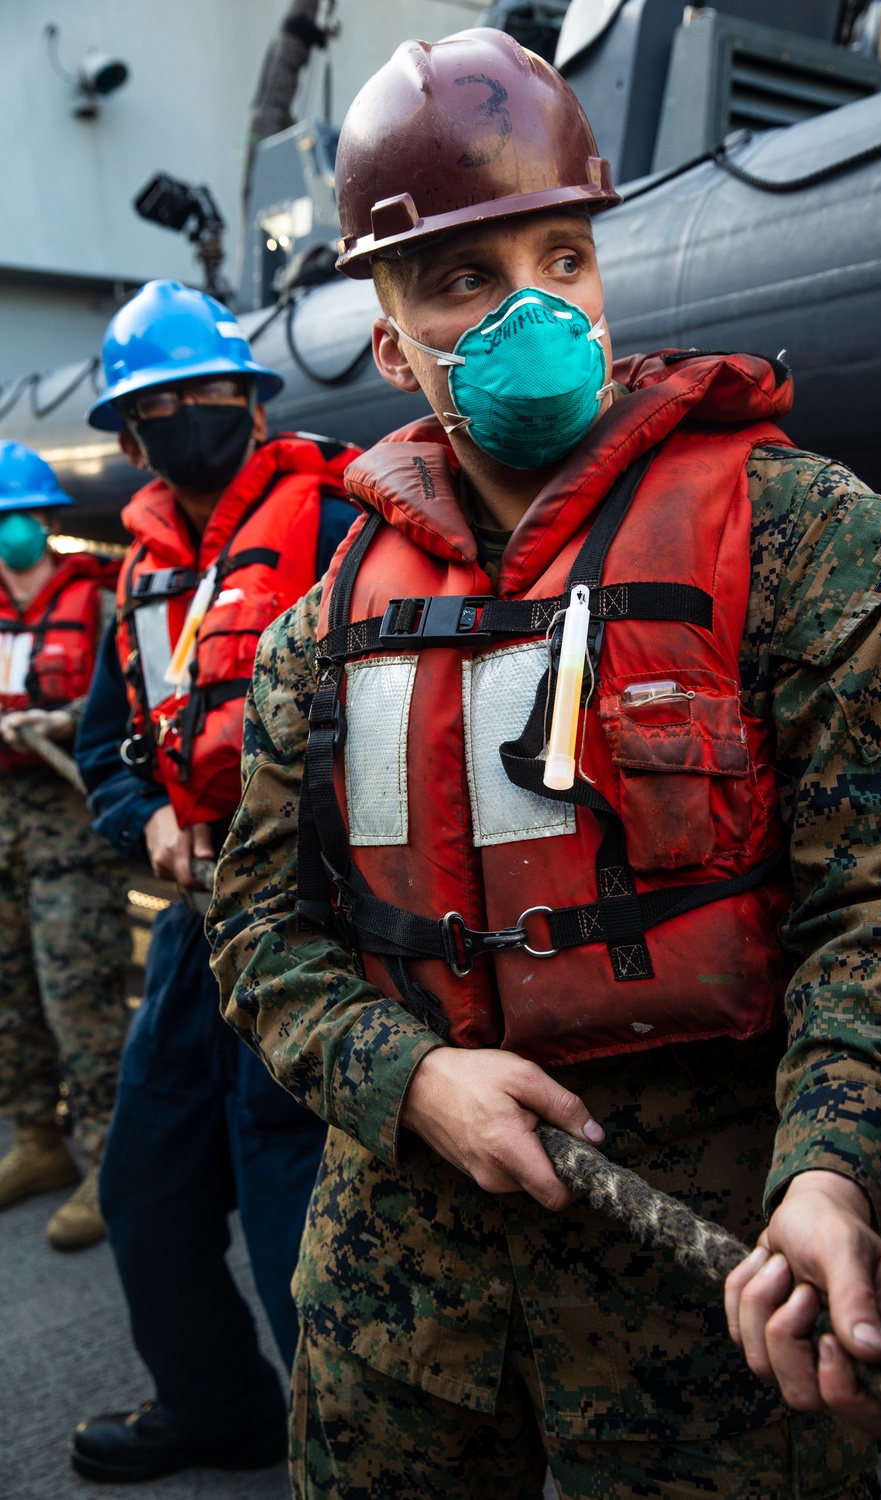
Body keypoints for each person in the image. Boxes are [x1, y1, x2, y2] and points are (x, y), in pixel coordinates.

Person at [208, 29, 881, 1500]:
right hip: (401, 1318)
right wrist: (413, 1077)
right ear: (390, 344)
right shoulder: (326, 624)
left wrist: (838, 1168)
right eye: (463, 279)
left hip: (713, 1318)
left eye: (562, 256)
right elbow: (258, 927)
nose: (531, 310)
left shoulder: (803, 537)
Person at [69, 279, 361, 1484]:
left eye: (210, 394)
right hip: (196, 929)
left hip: (312, 922)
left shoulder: (337, 526)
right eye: (161, 406)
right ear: (131, 438)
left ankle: (348, 1452)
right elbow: (105, 753)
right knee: (146, 1179)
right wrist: (146, 825)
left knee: (291, 1181)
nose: (190, 417)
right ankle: (216, 1404)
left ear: (250, 399)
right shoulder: (136, 580)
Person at [0, 440, 128, 1252]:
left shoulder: (100, 601)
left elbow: (122, 703)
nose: (14, 530)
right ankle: (36, 1140)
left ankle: (108, 1159)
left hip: (68, 822)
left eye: (24, 517)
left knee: (79, 993)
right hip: (0, 822)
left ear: (47, 521)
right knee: (9, 994)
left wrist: (64, 721)